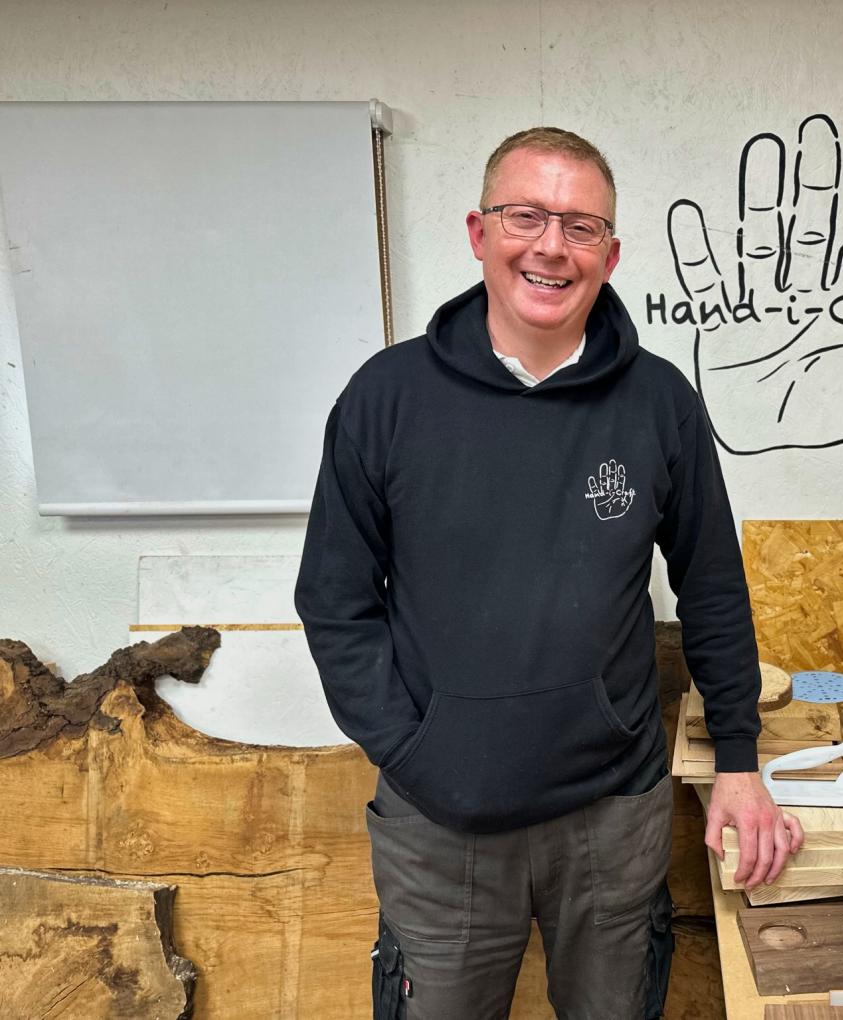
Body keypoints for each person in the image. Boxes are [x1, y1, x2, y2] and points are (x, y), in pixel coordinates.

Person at [295, 126, 804, 1020]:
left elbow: (713, 588)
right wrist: (413, 750)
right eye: (525, 215)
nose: (550, 247)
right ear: (478, 232)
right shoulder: (386, 398)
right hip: (438, 823)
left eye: (579, 226)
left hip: (612, 815)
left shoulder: (661, 405)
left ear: (611, 253)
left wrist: (737, 762)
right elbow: (335, 604)